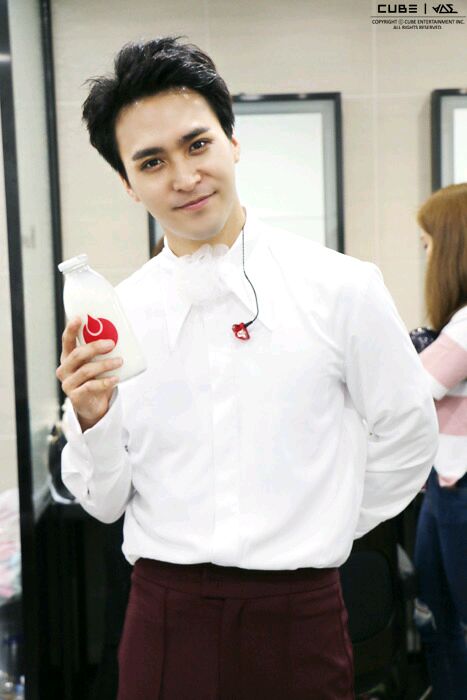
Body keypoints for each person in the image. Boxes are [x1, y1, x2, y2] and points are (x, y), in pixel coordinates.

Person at [56, 37, 438, 700]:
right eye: (152, 161)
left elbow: (408, 435)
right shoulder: (116, 315)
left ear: (233, 143)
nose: (183, 177)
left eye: (197, 144)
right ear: (128, 184)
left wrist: (326, 518)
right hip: (164, 615)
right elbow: (104, 501)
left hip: (301, 615)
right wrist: (93, 420)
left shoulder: (341, 287)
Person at [413, 183, 467, 700]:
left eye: (427, 246)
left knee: (454, 619)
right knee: (433, 613)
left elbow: (413, 389)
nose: (425, 258)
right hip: (444, 482)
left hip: (461, 488)